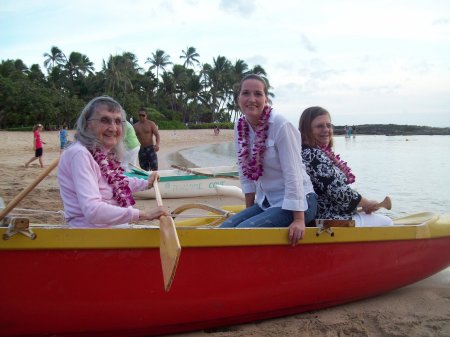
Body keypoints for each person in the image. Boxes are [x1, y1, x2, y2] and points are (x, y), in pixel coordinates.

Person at [219, 74, 317, 246]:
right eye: (246, 93)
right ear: (238, 98)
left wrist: (299, 220)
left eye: (258, 94)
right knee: (224, 229)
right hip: (267, 201)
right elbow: (245, 172)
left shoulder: (281, 125)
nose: (251, 99)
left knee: (242, 232)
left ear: (266, 98)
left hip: (298, 203)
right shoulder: (240, 125)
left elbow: (293, 173)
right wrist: (249, 210)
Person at [57, 96, 169, 228]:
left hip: (111, 230)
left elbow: (115, 182)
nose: (113, 128)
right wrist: (144, 214)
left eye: (118, 121)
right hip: (93, 237)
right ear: (87, 124)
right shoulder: (80, 154)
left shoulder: (101, 152)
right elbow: (93, 210)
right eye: (105, 120)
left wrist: (146, 183)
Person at [299, 106, 392, 227]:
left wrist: (361, 204)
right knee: (386, 222)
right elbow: (338, 191)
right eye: (319, 126)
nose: (326, 129)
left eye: (328, 125)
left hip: (332, 214)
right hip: (325, 219)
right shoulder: (311, 154)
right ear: (307, 130)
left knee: (378, 220)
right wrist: (366, 203)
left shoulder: (313, 152)